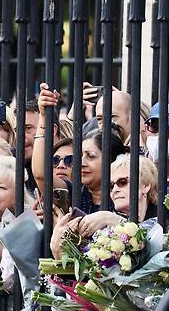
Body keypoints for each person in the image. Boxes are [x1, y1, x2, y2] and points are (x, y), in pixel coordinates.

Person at [32, 83, 125, 215]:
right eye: (79, 156)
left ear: (112, 160)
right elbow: (41, 175)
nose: (81, 163)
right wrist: (43, 118)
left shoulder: (125, 196)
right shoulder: (73, 192)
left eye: (91, 156)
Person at [50, 155, 158, 259]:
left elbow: (155, 246)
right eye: (112, 185)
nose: (115, 189)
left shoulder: (165, 215)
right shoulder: (108, 229)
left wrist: (111, 219)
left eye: (122, 182)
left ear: (146, 186)